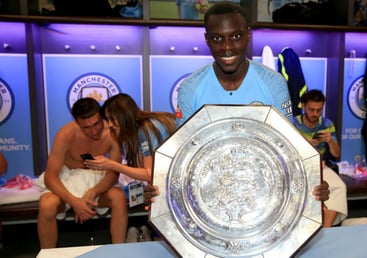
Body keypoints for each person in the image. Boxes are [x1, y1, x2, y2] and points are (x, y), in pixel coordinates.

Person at [146, 2, 330, 210]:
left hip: (262, 196)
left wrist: (313, 181)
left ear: (248, 35)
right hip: (210, 198)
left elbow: (289, 146)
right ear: (207, 40)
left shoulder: (273, 82)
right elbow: (183, 153)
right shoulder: (191, 87)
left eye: (236, 36)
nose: (227, 47)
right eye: (217, 38)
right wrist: (159, 188)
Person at [37, 97, 128, 249]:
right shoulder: (65, 135)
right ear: (77, 123)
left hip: (97, 178)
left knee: (119, 198)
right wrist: (74, 201)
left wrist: (92, 192)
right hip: (69, 179)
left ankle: (119, 251)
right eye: (86, 127)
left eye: (96, 124)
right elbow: (50, 177)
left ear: (101, 116)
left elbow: (113, 174)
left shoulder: (113, 133)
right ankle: (48, 254)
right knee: (47, 204)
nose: (94, 131)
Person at [83, 93, 176, 183]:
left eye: (112, 119)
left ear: (123, 115)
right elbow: (142, 168)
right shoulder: (138, 130)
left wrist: (111, 164)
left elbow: (150, 174)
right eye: (108, 120)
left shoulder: (147, 129)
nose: (110, 124)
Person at [295, 89, 347, 227]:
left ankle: (327, 229)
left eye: (319, 110)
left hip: (320, 166)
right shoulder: (293, 123)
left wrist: (330, 141)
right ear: (303, 106)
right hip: (298, 167)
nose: (315, 114)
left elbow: (336, 154)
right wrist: (306, 145)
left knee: (339, 187)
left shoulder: (326, 124)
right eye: (311, 109)